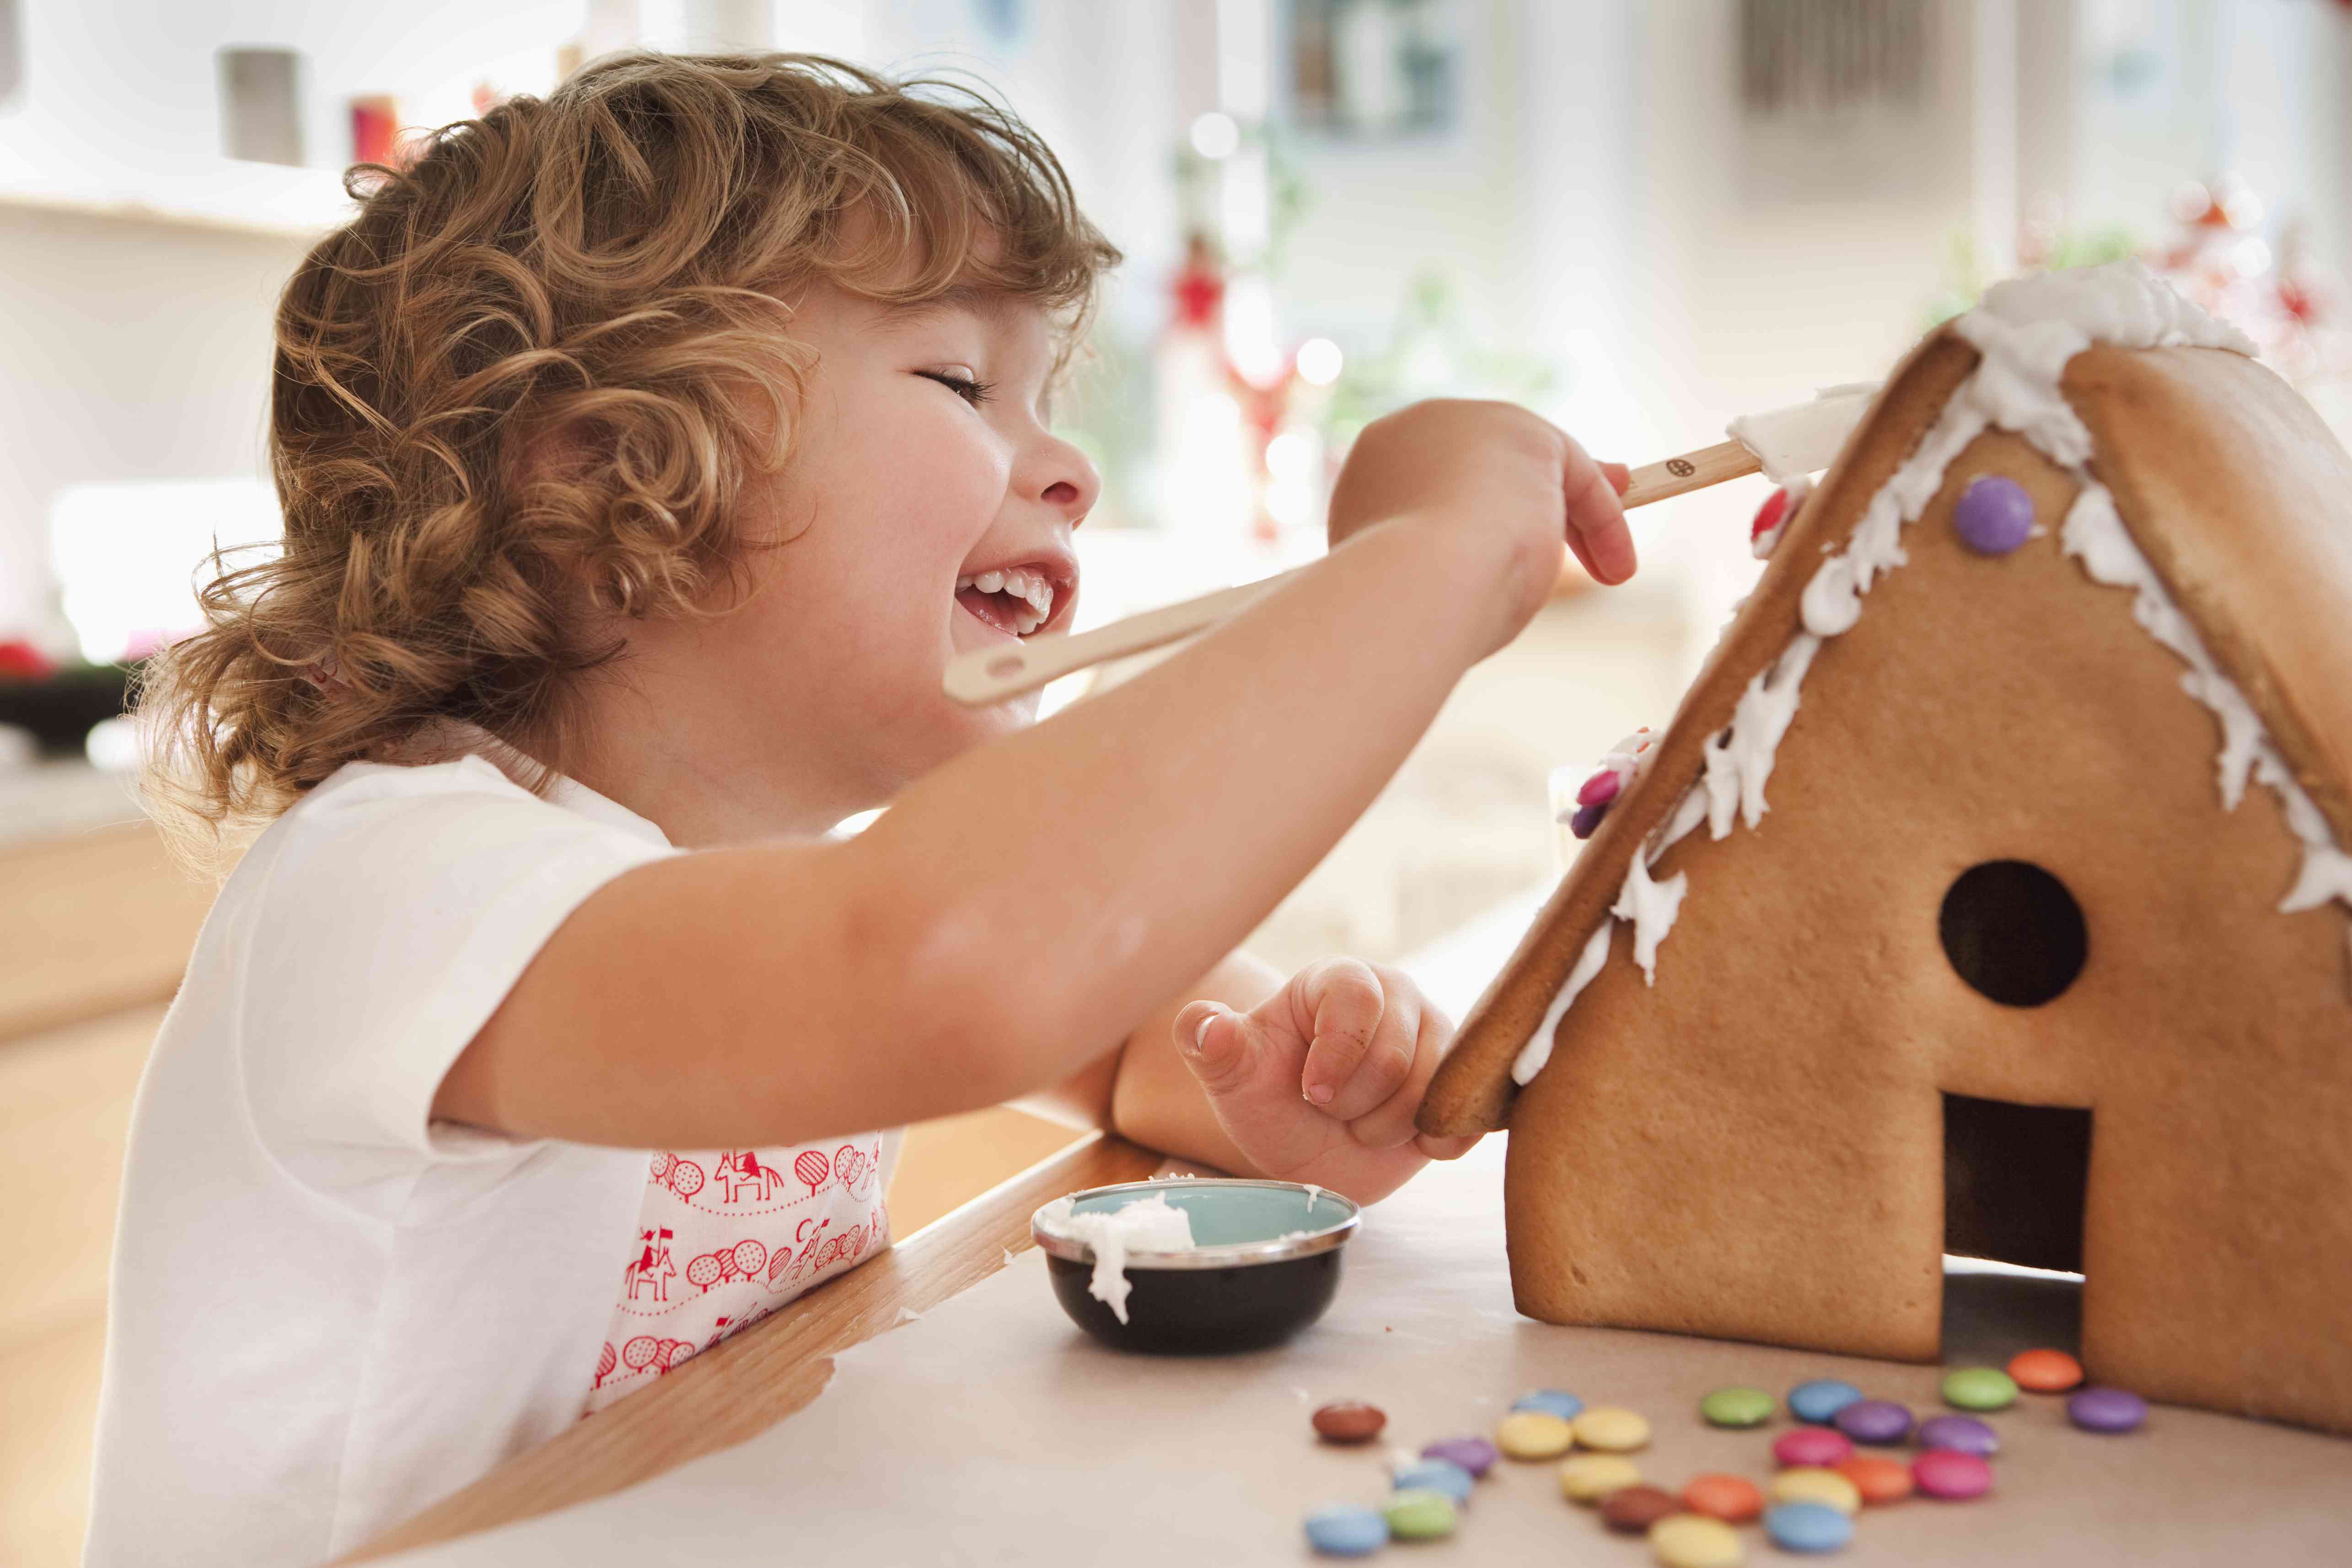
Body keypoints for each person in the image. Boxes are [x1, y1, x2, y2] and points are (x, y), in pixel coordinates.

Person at [85, 52, 1633, 1567]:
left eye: (1049, 396)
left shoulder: (768, 876)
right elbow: (957, 968)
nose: (1071, 471)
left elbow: (1099, 1025)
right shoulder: (400, 884)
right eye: (963, 380)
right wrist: (1424, 564)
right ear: (613, 475)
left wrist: (1267, 1083)